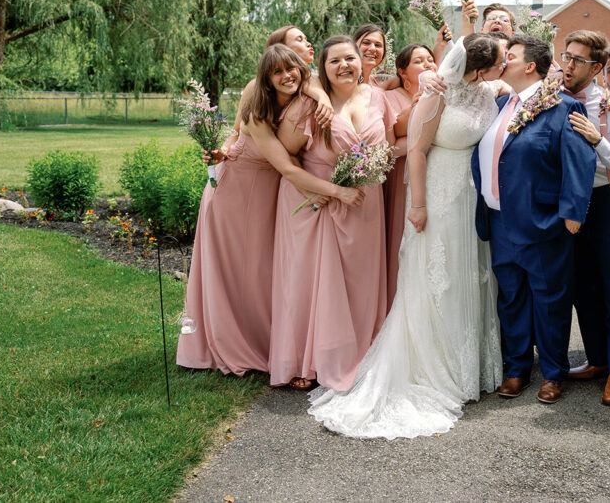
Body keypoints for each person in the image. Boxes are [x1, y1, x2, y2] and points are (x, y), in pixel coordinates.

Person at [307, 33, 507, 439]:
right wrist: (418, 205)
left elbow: (509, 85)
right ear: (482, 67)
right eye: (503, 59)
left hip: (471, 195)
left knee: (471, 275)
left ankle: (471, 366)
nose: (507, 64)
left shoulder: (488, 89)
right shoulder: (438, 93)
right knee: (439, 278)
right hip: (438, 193)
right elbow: (415, 150)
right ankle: (434, 367)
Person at [177, 45, 342, 376]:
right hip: (234, 193)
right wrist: (320, 190)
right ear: (266, 80)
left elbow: (308, 81)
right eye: (277, 72)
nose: (286, 76)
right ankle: (226, 344)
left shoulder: (301, 95)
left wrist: (322, 98)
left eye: (290, 69)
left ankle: (264, 341)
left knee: (259, 273)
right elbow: (257, 146)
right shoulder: (257, 108)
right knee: (232, 273)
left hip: (266, 194)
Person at [473, 34, 595, 405]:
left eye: (508, 55)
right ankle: (516, 369)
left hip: (544, 222)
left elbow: (580, 160)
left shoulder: (564, 108)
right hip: (499, 219)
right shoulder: (497, 105)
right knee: (511, 297)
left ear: (529, 66)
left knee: (550, 299)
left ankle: (554, 373)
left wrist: (572, 212)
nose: (501, 60)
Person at [266, 36, 373, 390]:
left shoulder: (376, 97)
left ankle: (354, 352)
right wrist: (318, 189)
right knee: (306, 282)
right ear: (321, 69)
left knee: (351, 285)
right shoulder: (307, 108)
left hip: (361, 206)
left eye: (350, 58)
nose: (344, 65)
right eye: (334, 61)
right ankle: (304, 361)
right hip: (310, 201)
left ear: (361, 62)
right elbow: (285, 157)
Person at [560, 31, 610, 406]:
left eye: (577, 60)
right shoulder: (551, 100)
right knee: (581, 288)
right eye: (566, 56)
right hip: (570, 205)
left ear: (596, 69)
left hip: (608, 201)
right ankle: (596, 359)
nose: (568, 64)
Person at [380, 42, 438, 310]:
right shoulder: (389, 98)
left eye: (430, 59)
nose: (428, 64)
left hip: (434, 176)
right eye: (419, 61)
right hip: (400, 178)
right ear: (402, 72)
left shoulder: (441, 94)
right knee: (402, 242)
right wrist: (414, 106)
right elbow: (388, 144)